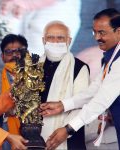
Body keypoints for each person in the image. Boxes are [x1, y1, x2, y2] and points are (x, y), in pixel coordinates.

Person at [40, 8, 120, 150]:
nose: (96, 38)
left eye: (102, 32)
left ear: (118, 31)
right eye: (94, 32)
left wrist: (68, 129)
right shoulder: (110, 56)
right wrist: (62, 105)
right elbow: (94, 90)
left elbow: (101, 100)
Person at [39, 21, 90, 149]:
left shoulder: (79, 67)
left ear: (69, 40)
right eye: (50, 37)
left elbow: (81, 103)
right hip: (35, 135)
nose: (55, 42)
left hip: (69, 136)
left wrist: (66, 130)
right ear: (43, 40)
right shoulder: (33, 66)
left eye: (60, 38)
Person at [0, 34, 28, 150]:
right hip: (4, 136)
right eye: (9, 52)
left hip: (33, 134)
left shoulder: (38, 78)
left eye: (19, 51)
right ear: (2, 56)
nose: (15, 55)